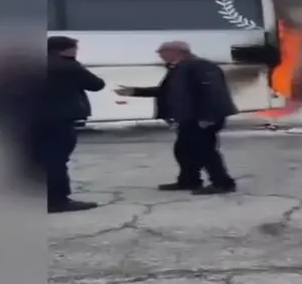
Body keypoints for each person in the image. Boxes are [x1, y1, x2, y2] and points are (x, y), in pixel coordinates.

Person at [114, 41, 238, 195]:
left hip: (202, 117)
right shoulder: (179, 67)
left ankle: (223, 183)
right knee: (183, 150)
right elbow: (167, 91)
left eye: (162, 51)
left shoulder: (200, 66)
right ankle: (189, 180)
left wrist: (208, 117)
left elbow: (213, 92)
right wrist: (134, 91)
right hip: (188, 117)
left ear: (177, 51)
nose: (159, 55)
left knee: (205, 150)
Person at [42, 36, 106, 213]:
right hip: (59, 119)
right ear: (66, 49)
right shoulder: (67, 65)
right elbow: (96, 84)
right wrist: (74, 62)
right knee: (57, 160)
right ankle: (57, 200)